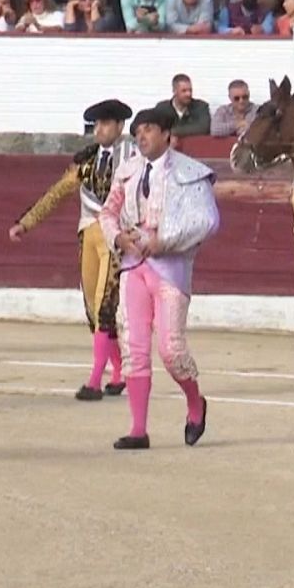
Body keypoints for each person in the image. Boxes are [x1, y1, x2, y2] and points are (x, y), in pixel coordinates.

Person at [100, 107, 220, 450]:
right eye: (138, 131)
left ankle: (195, 402)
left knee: (170, 349)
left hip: (170, 268)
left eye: (149, 129)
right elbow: (108, 213)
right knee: (133, 347)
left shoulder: (190, 172)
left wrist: (163, 241)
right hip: (133, 267)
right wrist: (117, 238)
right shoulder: (128, 172)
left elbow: (207, 221)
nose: (141, 136)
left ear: (167, 134)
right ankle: (138, 430)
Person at [10, 100, 137, 400]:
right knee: (93, 309)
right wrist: (26, 223)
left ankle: (95, 380)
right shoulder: (86, 161)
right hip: (88, 235)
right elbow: (56, 193)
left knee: (105, 304)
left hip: (115, 236)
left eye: (106, 123)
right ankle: (119, 373)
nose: (100, 129)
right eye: (97, 124)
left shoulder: (133, 158)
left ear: (120, 126)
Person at [154, 73, 212, 138]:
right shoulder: (162, 108)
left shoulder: (201, 106)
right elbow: (156, 130)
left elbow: (204, 128)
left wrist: (172, 132)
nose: (188, 94)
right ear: (174, 91)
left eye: (190, 90)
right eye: (184, 91)